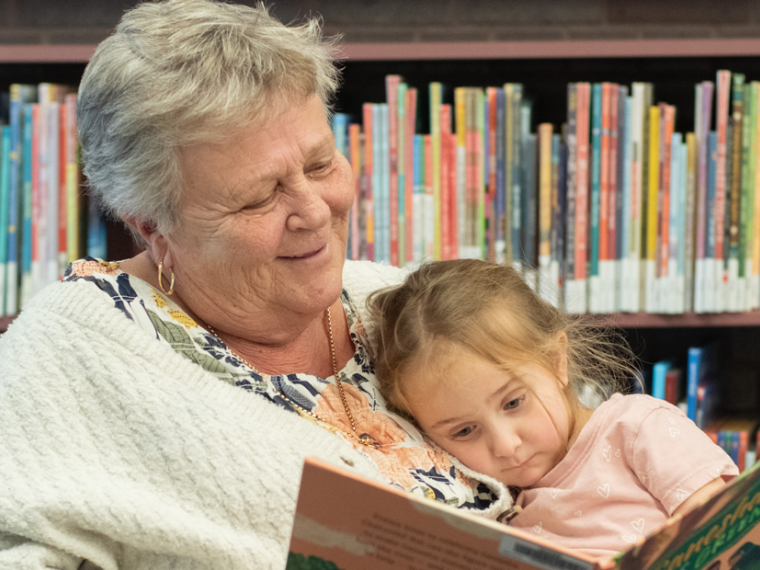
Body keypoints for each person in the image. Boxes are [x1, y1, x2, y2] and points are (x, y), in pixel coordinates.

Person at [0, 2, 512, 569]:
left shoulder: (405, 303)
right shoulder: (64, 356)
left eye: (320, 165)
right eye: (259, 197)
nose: (315, 212)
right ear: (153, 227)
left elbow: (584, 444)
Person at [368, 259, 739, 558]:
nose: (506, 445)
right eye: (464, 431)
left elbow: (724, 533)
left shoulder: (637, 428)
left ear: (556, 361)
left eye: (513, 402)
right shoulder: (496, 500)